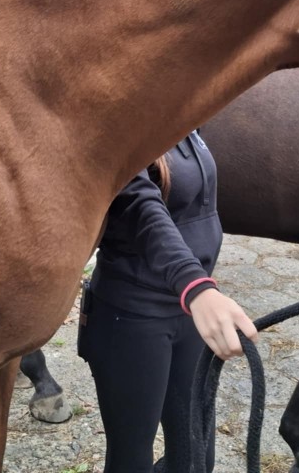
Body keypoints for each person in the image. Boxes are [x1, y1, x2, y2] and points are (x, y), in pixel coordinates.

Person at [77, 131, 257, 473]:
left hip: (186, 310)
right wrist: (196, 287)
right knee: (131, 461)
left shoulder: (187, 122)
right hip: (133, 315)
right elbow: (140, 207)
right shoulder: (126, 125)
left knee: (196, 457)